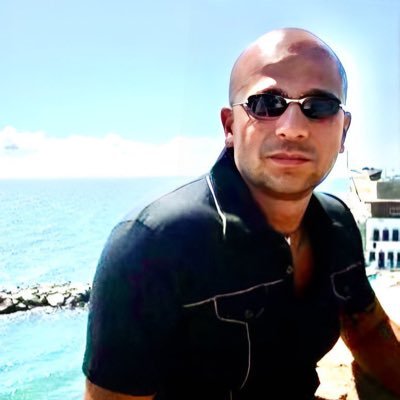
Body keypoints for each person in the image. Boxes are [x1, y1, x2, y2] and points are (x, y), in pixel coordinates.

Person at [82, 28, 400, 399]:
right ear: (230, 127)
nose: (293, 128)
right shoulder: (153, 244)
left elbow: (367, 329)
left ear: (343, 131)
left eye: (319, 106)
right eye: (266, 104)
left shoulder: (337, 223)